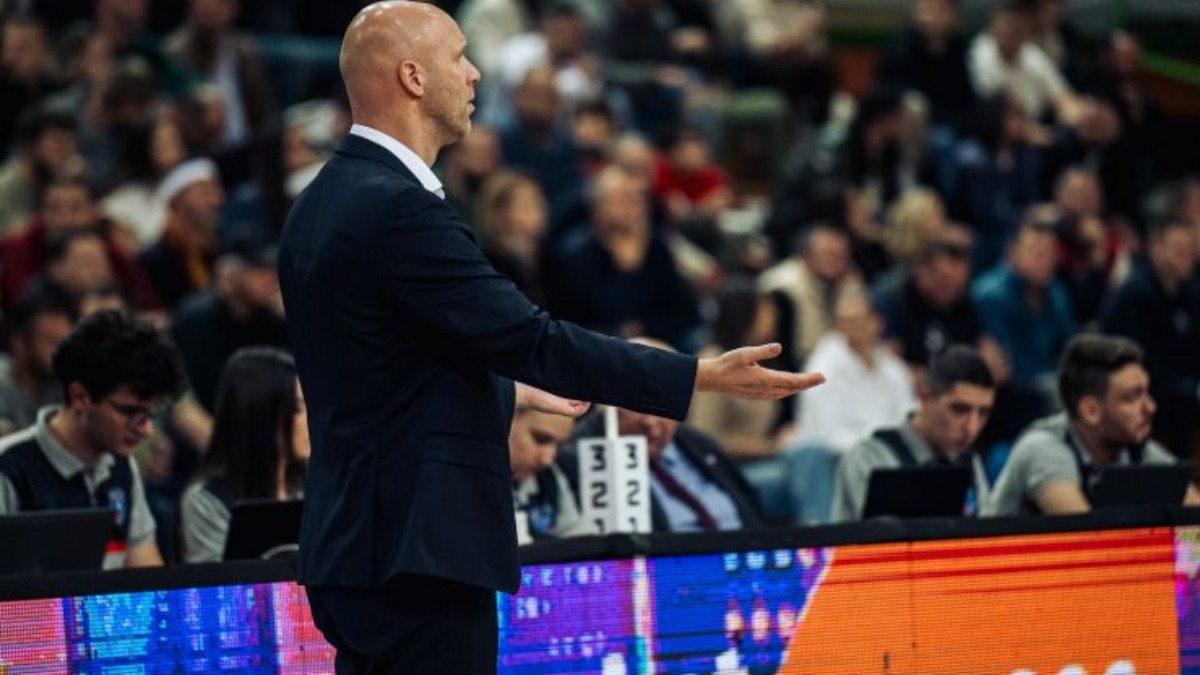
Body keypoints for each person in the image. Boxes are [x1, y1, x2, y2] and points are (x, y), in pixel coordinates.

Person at [276, 3, 824, 674]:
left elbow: (383, 368)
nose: (475, 73)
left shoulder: (319, 203)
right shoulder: (398, 207)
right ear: (413, 77)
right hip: (419, 551)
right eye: (458, 57)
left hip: (350, 545)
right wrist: (699, 375)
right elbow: (535, 339)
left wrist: (509, 387)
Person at [0, 310, 188, 568]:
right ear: (80, 397)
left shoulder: (122, 466)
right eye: (129, 412)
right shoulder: (8, 469)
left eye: (149, 415)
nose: (146, 430)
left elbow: (146, 575)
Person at [983, 334, 1198, 517]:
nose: (1150, 407)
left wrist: (1186, 553)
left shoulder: (1136, 447)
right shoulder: (1043, 449)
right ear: (1090, 411)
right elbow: (1088, 539)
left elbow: (1194, 520)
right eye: (1132, 397)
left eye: (1146, 392)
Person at [831, 345, 996, 522]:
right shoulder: (870, 458)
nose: (972, 427)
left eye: (983, 413)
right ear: (925, 397)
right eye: (959, 409)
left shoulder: (968, 460)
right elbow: (887, 537)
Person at [179, 347, 308, 563]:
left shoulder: (317, 486)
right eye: (298, 408)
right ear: (263, 417)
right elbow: (216, 580)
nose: (311, 420)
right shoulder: (207, 501)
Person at [508, 408, 590, 541]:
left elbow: (577, 535)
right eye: (540, 439)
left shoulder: (550, 476)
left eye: (559, 446)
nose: (547, 459)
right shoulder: (471, 484)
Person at [0, 291, 75, 435]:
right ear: (19, 343)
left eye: (64, 342)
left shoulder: (66, 388)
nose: (60, 352)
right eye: (50, 342)